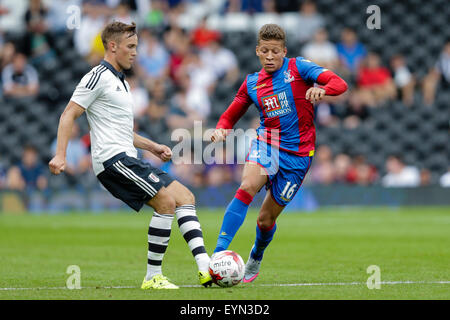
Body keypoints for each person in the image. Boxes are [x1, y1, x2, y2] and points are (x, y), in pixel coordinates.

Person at [48, 21, 212, 290]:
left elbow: (123, 132)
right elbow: (69, 114)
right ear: (112, 47)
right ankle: (153, 277)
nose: (135, 52)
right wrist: (60, 155)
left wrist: (153, 147)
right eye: (131, 46)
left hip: (129, 156)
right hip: (113, 160)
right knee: (166, 203)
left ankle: (206, 269)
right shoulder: (96, 76)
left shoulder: (121, 83)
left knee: (186, 197)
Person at [210, 24, 347, 282]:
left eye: (275, 51)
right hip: (267, 143)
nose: (270, 56)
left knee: (264, 220)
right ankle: (217, 256)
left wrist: (323, 89)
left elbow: (340, 83)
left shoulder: (299, 68)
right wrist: (220, 130)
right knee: (247, 186)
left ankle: (256, 256)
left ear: (284, 51)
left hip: (297, 156)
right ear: (257, 52)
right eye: (265, 51)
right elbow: (229, 117)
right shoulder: (252, 83)